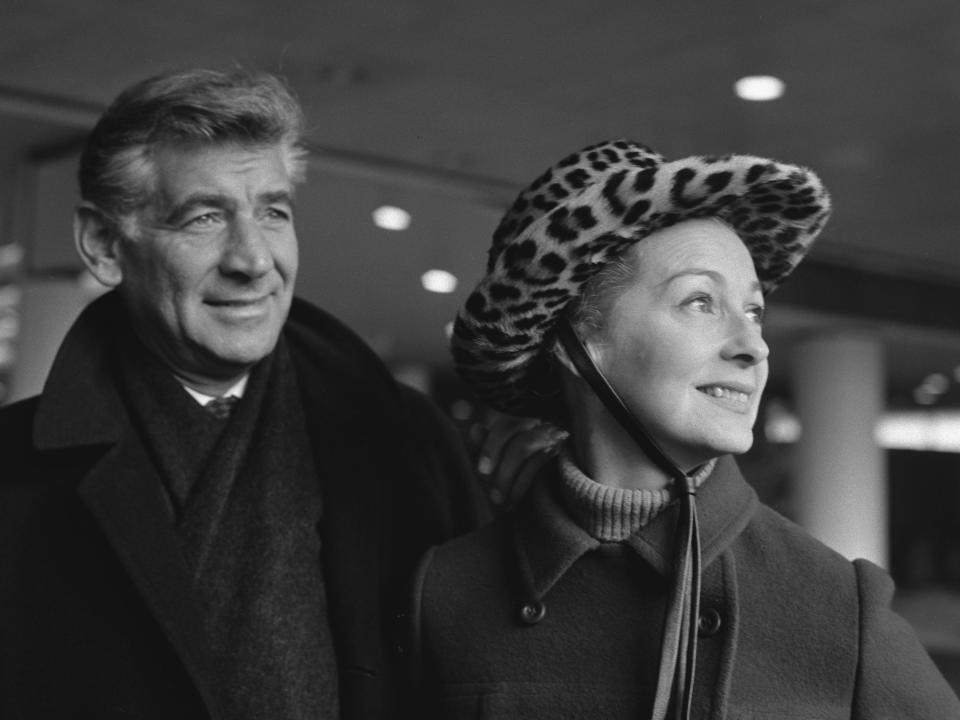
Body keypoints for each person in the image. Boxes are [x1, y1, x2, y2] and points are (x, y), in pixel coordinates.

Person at [0, 68, 496, 720]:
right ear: (102, 244)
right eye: (205, 217)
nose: (254, 259)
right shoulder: (13, 472)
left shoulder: (409, 443)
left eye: (273, 211)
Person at [408, 139, 960, 718]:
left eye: (753, 311)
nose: (753, 345)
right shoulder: (446, 591)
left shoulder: (840, 603)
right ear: (573, 343)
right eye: (700, 301)